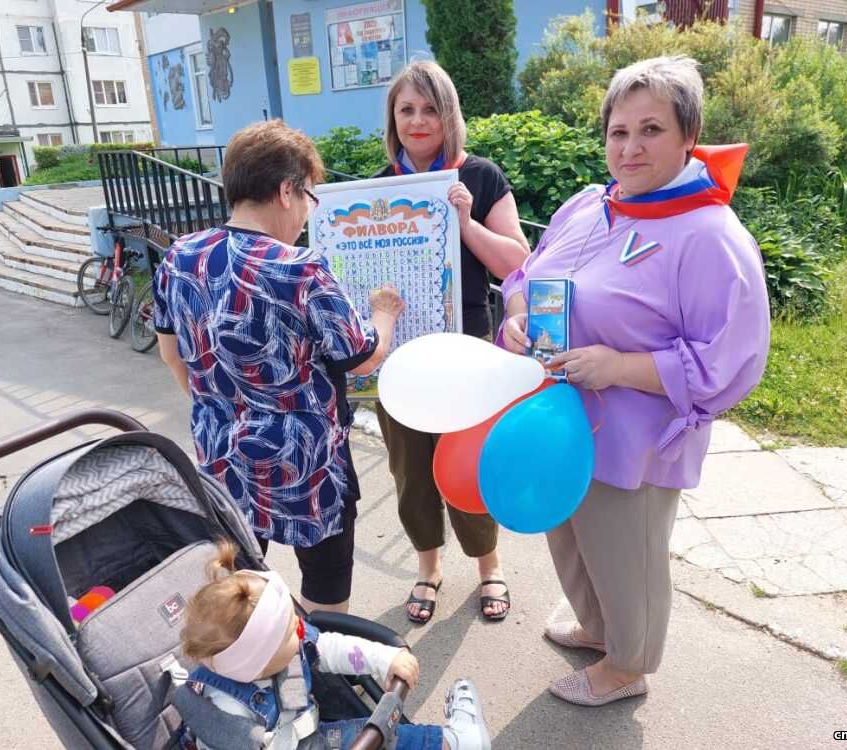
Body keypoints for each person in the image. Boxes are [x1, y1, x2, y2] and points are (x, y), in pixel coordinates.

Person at [500, 56, 770, 705]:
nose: (630, 147)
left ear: (688, 136)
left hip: (635, 436)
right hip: (559, 417)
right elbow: (529, 273)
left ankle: (627, 665)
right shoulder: (590, 206)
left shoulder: (709, 235)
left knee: (627, 553)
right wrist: (516, 315)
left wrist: (619, 367)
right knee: (572, 535)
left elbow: (730, 359)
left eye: (651, 130)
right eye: (618, 132)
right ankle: (600, 629)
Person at [153, 120, 405, 616]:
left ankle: (252, 656)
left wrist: (222, 409)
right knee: (325, 581)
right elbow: (364, 355)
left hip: (222, 452)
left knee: (237, 581)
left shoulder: (181, 257)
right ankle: (319, 654)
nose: (308, 211)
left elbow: (171, 353)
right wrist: (384, 312)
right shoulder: (300, 268)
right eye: (309, 196)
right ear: (287, 191)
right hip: (307, 464)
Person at [372, 60, 531, 624]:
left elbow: (517, 262)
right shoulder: (378, 188)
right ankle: (428, 568)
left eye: (430, 109)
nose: (418, 121)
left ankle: (489, 566)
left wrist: (465, 223)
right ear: (393, 118)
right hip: (400, 352)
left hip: (465, 346)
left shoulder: (480, 177)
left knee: (467, 460)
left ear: (449, 115)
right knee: (410, 468)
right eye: (407, 110)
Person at [176, 541, 492, 750]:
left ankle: (456, 742)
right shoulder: (226, 711)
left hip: (312, 739)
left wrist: (384, 659)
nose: (300, 626)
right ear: (255, 665)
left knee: (384, 734)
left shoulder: (287, 649)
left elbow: (331, 648)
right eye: (289, 631)